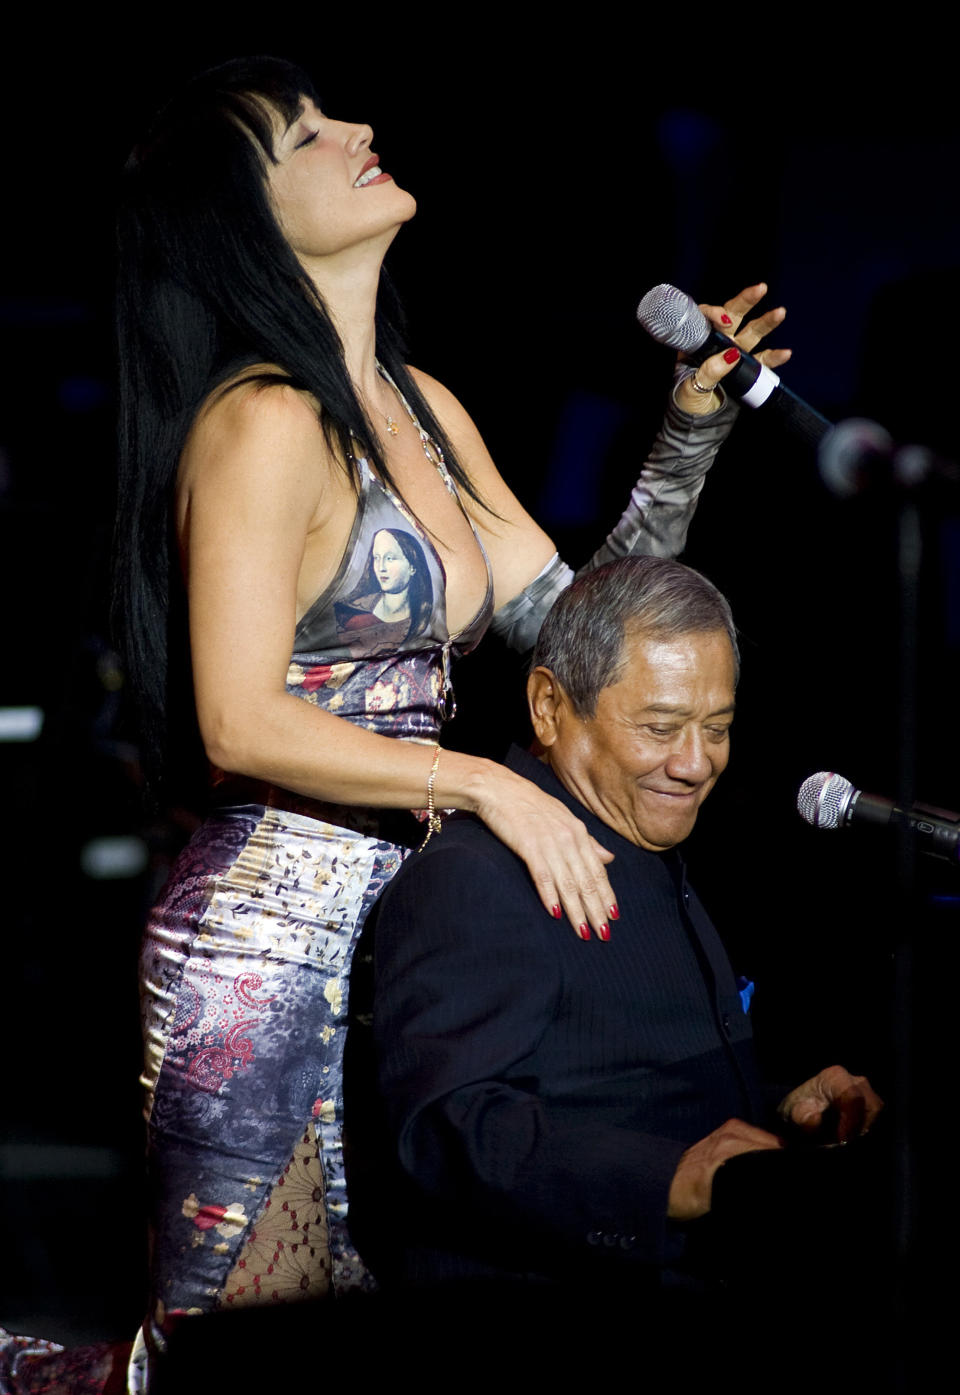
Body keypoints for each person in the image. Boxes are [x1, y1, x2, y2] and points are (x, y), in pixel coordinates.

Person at [101, 52, 791, 1386]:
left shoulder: (424, 409)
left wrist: (690, 427)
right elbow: (239, 719)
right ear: (243, 219)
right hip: (270, 947)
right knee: (242, 1359)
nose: (356, 127)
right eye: (304, 136)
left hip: (404, 933)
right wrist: (488, 782)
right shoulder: (259, 423)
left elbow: (576, 628)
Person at [363, 556, 883, 1298]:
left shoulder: (641, 841)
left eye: (719, 727)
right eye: (661, 727)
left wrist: (781, 1101)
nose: (696, 762)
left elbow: (610, 1080)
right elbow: (449, 1125)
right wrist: (670, 1177)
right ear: (548, 706)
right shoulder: (474, 875)